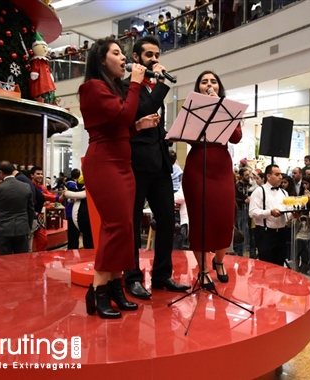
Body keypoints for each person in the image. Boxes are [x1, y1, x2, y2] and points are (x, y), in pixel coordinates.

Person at [79, 37, 160, 318]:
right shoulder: (92, 87)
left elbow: (121, 125)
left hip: (122, 163)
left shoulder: (110, 87)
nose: (124, 58)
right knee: (115, 227)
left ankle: (115, 287)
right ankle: (97, 291)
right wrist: (136, 82)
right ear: (102, 60)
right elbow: (123, 117)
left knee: (125, 228)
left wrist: (138, 125)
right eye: (117, 53)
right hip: (105, 164)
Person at [122, 35, 190, 298]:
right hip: (137, 164)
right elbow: (140, 112)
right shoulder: (129, 86)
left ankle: (162, 276)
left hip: (161, 164)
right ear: (137, 58)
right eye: (149, 55)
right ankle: (133, 277)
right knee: (133, 222)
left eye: (157, 55)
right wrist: (162, 84)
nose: (155, 59)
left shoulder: (152, 88)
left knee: (166, 221)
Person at [181, 70, 242, 288]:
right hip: (197, 167)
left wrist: (220, 107)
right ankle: (203, 269)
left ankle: (219, 261)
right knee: (199, 219)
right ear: (197, 88)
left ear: (219, 87)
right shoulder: (192, 109)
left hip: (222, 170)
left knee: (224, 218)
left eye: (213, 82)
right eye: (204, 81)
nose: (209, 84)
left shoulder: (229, 108)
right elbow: (185, 135)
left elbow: (236, 137)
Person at [249, 165, 301, 266]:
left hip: (281, 233)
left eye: (280, 174)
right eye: (277, 174)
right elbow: (252, 212)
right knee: (266, 265)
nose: (280, 177)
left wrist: (294, 215)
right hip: (265, 234)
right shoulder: (259, 191)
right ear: (268, 176)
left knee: (279, 264)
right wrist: (269, 212)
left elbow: (287, 214)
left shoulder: (284, 192)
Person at [0, 161, 35, 255]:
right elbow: (31, 209)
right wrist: (28, 226)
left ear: (0, 172)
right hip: (22, 228)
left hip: (3, 229)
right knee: (22, 260)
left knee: (4, 262)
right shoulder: (26, 186)